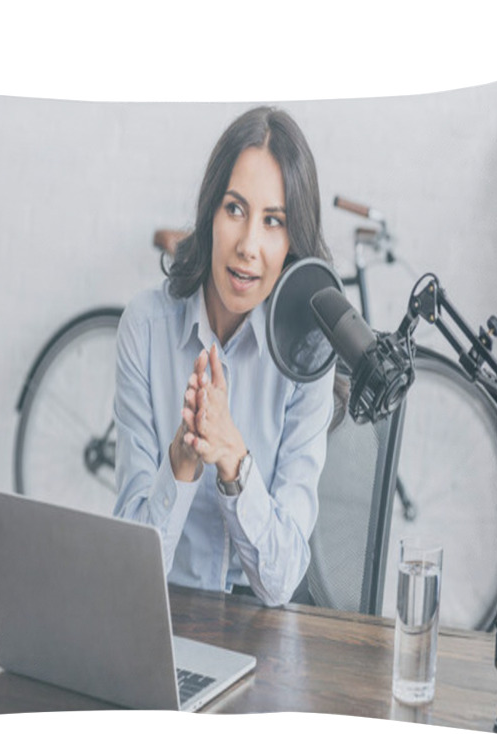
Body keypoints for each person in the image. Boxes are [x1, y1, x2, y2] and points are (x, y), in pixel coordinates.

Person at [113, 106, 335, 606]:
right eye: (234, 209)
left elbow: (281, 582)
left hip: (262, 629)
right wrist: (183, 462)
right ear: (210, 215)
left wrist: (234, 461)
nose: (248, 245)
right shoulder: (144, 330)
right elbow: (129, 567)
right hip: (163, 614)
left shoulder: (308, 356)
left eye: (273, 221)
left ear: (293, 242)